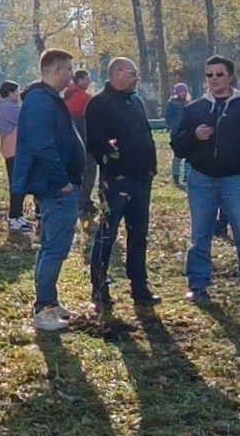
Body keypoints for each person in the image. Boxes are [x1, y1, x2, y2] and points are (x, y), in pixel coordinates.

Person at [171, 55, 240, 311]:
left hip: (237, 180)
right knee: (200, 234)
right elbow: (178, 145)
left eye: (219, 74)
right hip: (202, 179)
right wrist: (194, 136)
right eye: (210, 75)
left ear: (230, 76)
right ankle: (198, 285)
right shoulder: (194, 109)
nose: (214, 79)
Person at [13, 49, 87, 332]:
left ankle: (52, 303)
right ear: (56, 71)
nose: (72, 75)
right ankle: (43, 308)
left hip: (62, 184)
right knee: (55, 248)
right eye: (68, 69)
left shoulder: (48, 99)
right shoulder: (40, 102)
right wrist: (61, 180)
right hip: (57, 187)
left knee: (54, 245)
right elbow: (43, 145)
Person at [85, 58, 159, 317]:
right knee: (107, 232)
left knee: (139, 233)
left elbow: (146, 134)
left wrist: (150, 165)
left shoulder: (135, 101)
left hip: (141, 178)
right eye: (131, 73)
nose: (136, 77)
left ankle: (139, 284)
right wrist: (113, 160)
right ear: (116, 74)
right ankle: (99, 284)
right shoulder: (99, 104)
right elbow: (95, 143)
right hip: (115, 181)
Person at [0, 81, 31, 234]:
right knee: (17, 185)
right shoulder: (9, 108)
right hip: (13, 150)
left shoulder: (7, 107)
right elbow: (26, 120)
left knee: (19, 184)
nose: (18, 95)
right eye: (16, 92)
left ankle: (18, 215)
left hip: (13, 150)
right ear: (9, 93)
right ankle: (14, 217)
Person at [65, 69, 97, 218]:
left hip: (72, 139)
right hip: (85, 138)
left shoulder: (68, 95)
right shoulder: (84, 98)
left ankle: (81, 200)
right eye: (87, 78)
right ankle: (84, 202)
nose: (89, 81)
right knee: (89, 170)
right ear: (79, 81)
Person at [164, 83, 192, 187]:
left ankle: (186, 175)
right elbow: (169, 119)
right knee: (178, 155)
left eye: (184, 91)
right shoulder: (172, 104)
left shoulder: (189, 104)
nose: (183, 93)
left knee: (189, 155)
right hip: (177, 133)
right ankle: (176, 175)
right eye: (181, 91)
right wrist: (176, 127)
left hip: (188, 132)